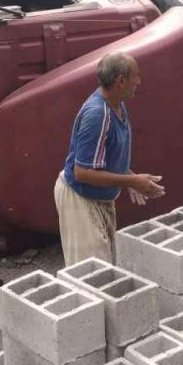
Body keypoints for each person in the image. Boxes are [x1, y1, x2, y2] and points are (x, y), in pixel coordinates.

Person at [54, 52, 165, 266]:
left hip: (98, 198)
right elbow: (82, 172)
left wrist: (130, 177)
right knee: (91, 273)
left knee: (106, 266)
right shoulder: (97, 114)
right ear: (120, 81)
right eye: (136, 76)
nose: (139, 82)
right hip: (79, 197)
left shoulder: (118, 105)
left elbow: (104, 158)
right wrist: (132, 181)